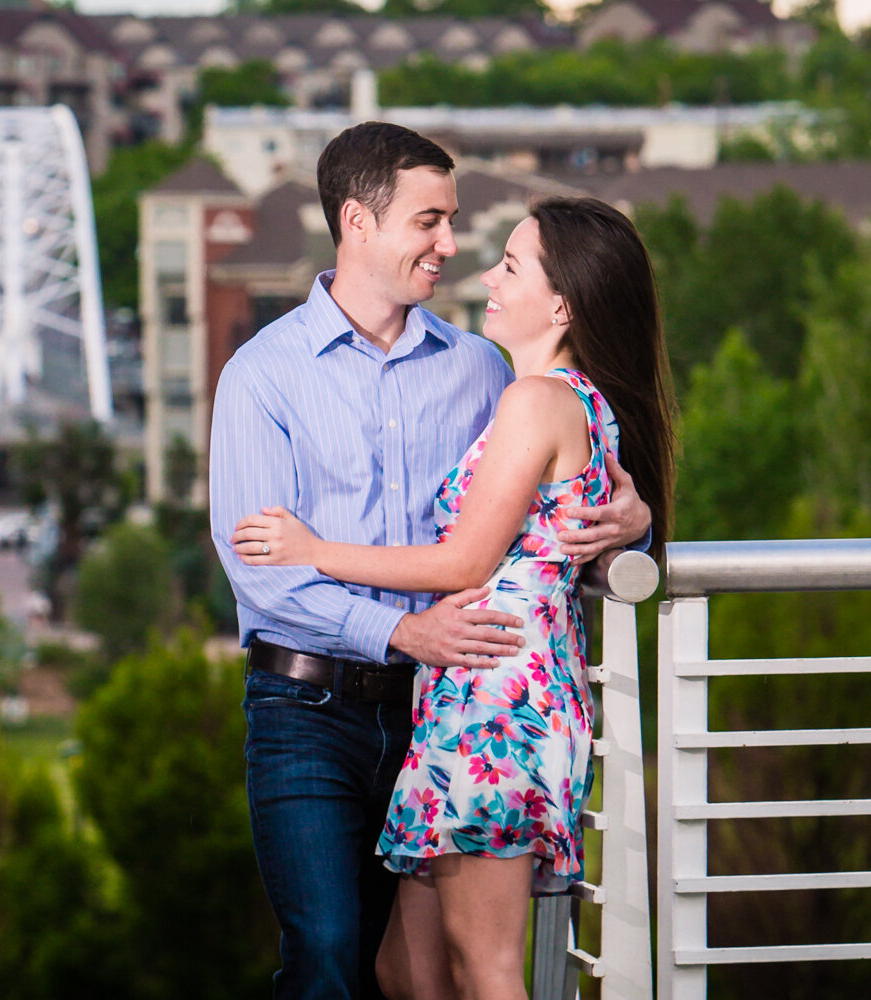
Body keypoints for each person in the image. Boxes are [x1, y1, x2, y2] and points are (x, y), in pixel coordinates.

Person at [208, 121, 652, 1000]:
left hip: (447, 703)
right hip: (308, 707)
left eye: (453, 221)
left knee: (438, 968)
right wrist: (400, 630)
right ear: (357, 222)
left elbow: (540, 517)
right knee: (338, 956)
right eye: (429, 221)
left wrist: (631, 525)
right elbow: (260, 571)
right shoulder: (262, 375)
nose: (453, 246)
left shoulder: (484, 370)